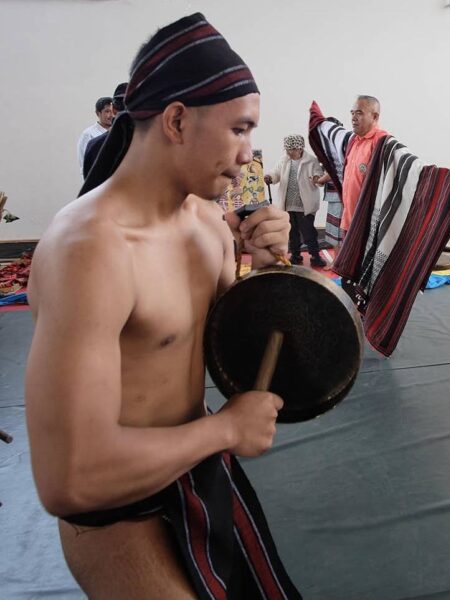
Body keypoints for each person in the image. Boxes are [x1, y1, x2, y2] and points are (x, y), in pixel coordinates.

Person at [26, 13, 300, 599]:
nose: (248, 154)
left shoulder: (208, 224)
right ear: (176, 120)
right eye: (239, 130)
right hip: (115, 508)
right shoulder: (90, 250)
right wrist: (224, 429)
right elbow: (69, 478)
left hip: (196, 473)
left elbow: (230, 355)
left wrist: (267, 273)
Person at [264, 135, 327, 266]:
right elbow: (276, 173)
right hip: (288, 204)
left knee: (309, 232)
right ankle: (295, 255)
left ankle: (315, 256)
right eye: (287, 149)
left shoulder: (311, 161)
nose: (289, 152)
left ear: (300, 148)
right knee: (292, 232)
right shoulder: (284, 160)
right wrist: (270, 177)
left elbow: (319, 177)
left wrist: (317, 179)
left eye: (291, 149)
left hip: (305, 205)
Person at [341, 95, 388, 233]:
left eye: (359, 113)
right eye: (352, 113)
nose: (353, 118)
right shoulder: (354, 140)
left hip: (367, 225)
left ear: (375, 117)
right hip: (349, 220)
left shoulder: (382, 141)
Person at [83, 83, 128, 179]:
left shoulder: (95, 144)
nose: (108, 115)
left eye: (109, 111)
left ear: (113, 109)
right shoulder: (150, 144)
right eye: (106, 111)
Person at [76, 96, 114, 172]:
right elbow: (84, 164)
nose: (111, 115)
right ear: (98, 113)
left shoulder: (119, 132)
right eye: (107, 111)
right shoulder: (88, 134)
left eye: (113, 111)